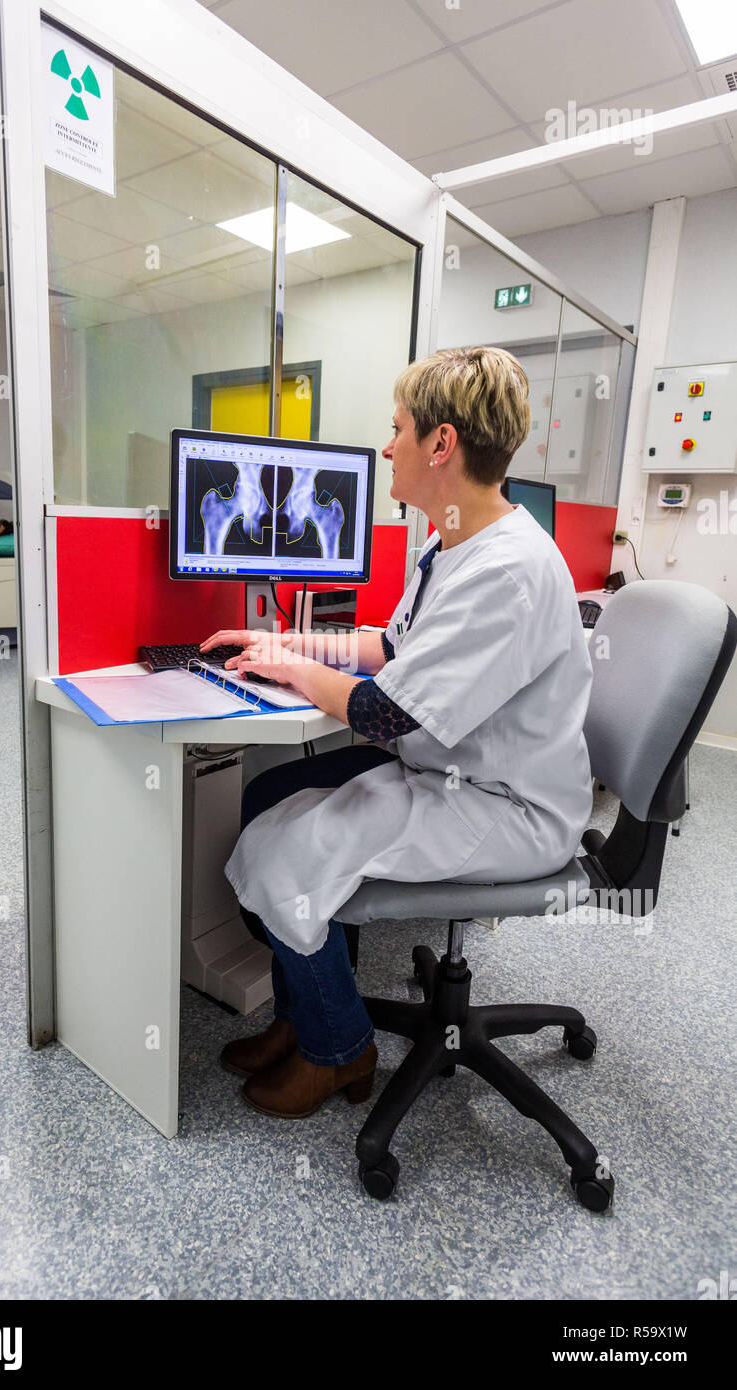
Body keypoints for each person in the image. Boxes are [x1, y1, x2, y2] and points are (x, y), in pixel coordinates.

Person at [200, 346, 593, 1121]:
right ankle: (301, 1015)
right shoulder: (453, 542)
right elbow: (394, 647)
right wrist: (293, 649)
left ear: (440, 444)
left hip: (505, 805)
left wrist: (292, 674)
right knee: (270, 792)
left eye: (398, 429)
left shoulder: (506, 571)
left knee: (287, 855)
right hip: (452, 771)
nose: (387, 447)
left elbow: (385, 712)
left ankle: (340, 1050)